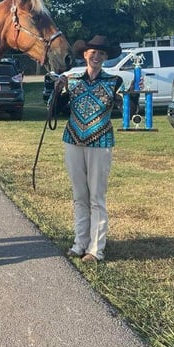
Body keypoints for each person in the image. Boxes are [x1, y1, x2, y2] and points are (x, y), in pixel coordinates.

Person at [51, 35, 138, 263]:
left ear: (106, 57)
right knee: (79, 195)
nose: (96, 56)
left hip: (100, 142)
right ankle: (79, 243)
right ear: (85, 55)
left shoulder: (115, 82)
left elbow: (129, 109)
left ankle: (96, 249)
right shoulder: (73, 80)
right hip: (73, 140)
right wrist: (57, 90)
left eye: (101, 54)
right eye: (92, 52)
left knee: (96, 197)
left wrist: (131, 98)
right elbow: (57, 109)